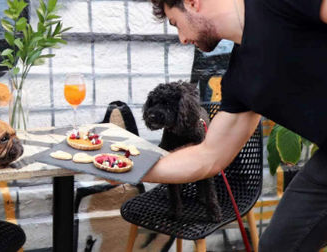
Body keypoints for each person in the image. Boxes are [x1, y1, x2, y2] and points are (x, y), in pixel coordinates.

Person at [138, 0, 327, 251]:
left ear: (193, 3)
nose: (182, 39)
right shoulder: (239, 82)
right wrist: (130, 169)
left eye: (176, 24)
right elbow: (208, 157)